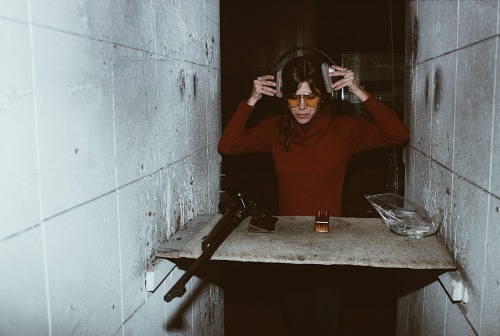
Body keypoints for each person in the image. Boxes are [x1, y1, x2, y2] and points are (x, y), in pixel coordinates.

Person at [218, 55, 409, 217]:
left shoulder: (344, 130)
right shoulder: (274, 129)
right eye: (294, 97)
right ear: (284, 98)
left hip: (328, 235)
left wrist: (358, 91)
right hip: (289, 235)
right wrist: (252, 100)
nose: (302, 107)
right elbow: (228, 146)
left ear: (322, 96)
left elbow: (398, 135)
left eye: (310, 97)